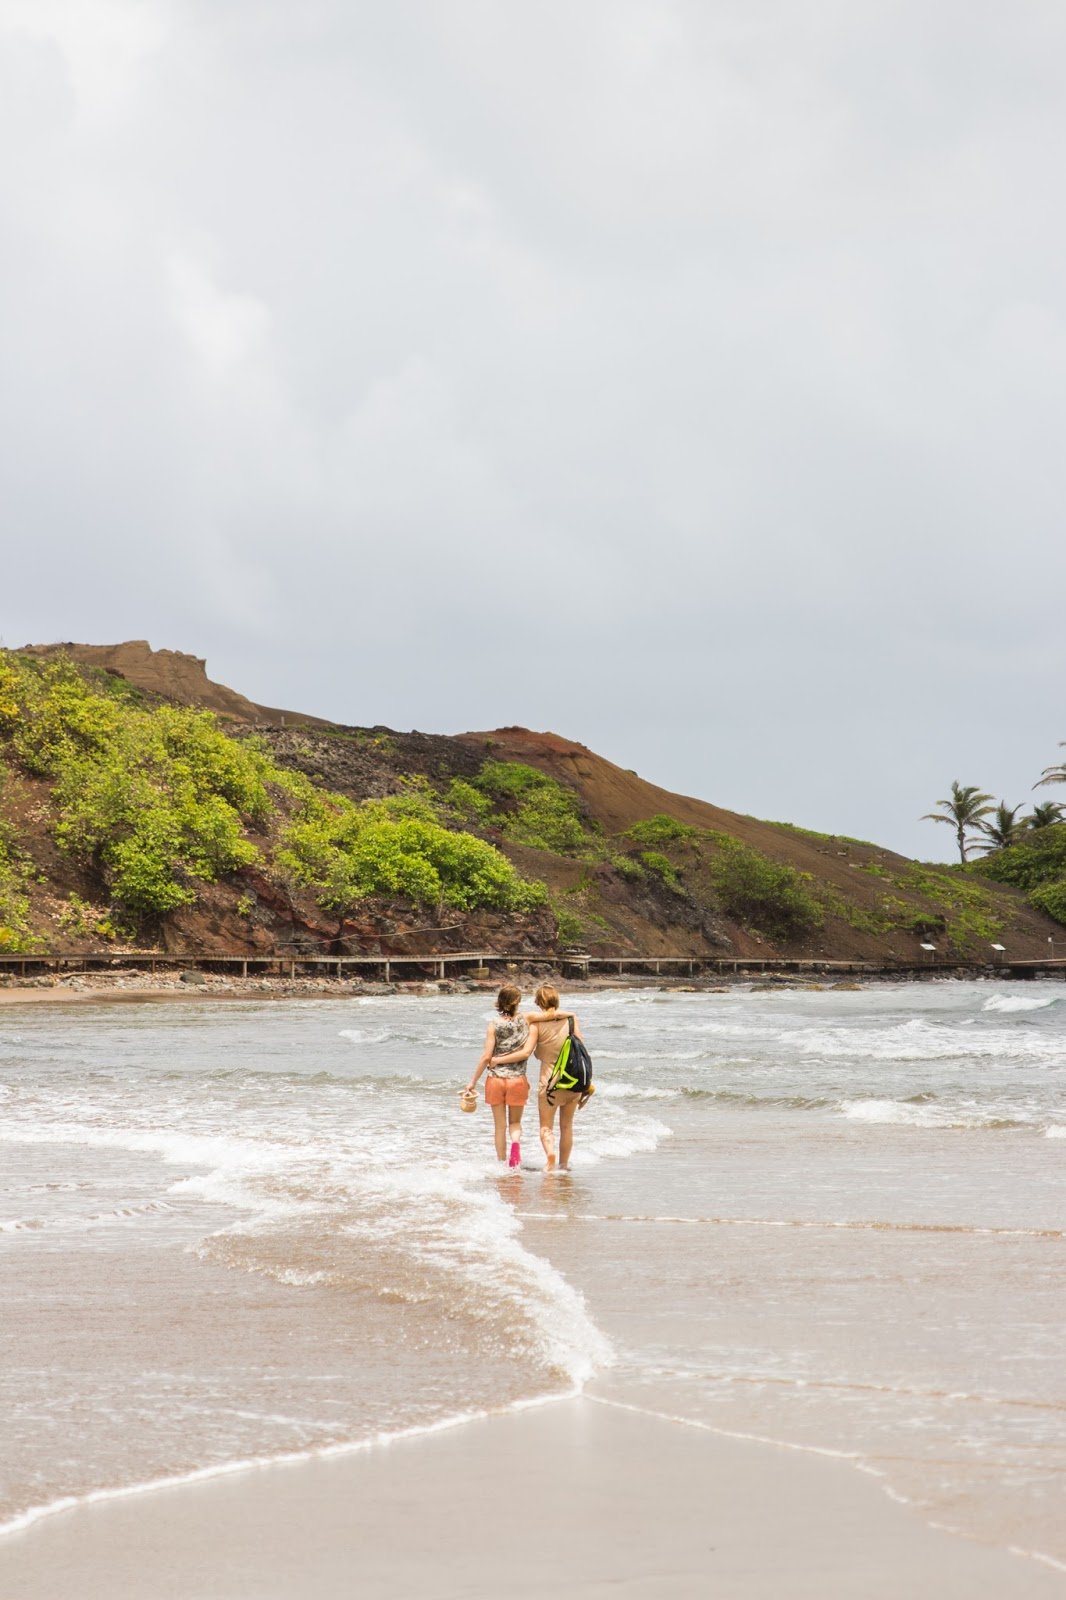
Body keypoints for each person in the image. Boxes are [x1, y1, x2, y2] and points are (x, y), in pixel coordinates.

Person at [491, 984, 586, 1172]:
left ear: (538, 1003)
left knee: (546, 1127)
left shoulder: (536, 1025)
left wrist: (496, 1060)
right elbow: (582, 1048)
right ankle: (564, 1165)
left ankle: (550, 1154)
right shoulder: (571, 1021)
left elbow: (526, 1052)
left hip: (549, 1082)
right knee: (567, 1127)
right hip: (574, 1079)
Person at [465, 984, 530, 1167]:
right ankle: (515, 1144)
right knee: (515, 1123)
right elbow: (551, 1015)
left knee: (499, 1126)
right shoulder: (526, 1020)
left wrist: (472, 1082)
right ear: (517, 1002)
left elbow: (486, 1056)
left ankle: (503, 1164)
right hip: (518, 1079)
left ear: (500, 1002)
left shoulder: (493, 1025)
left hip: (495, 1080)